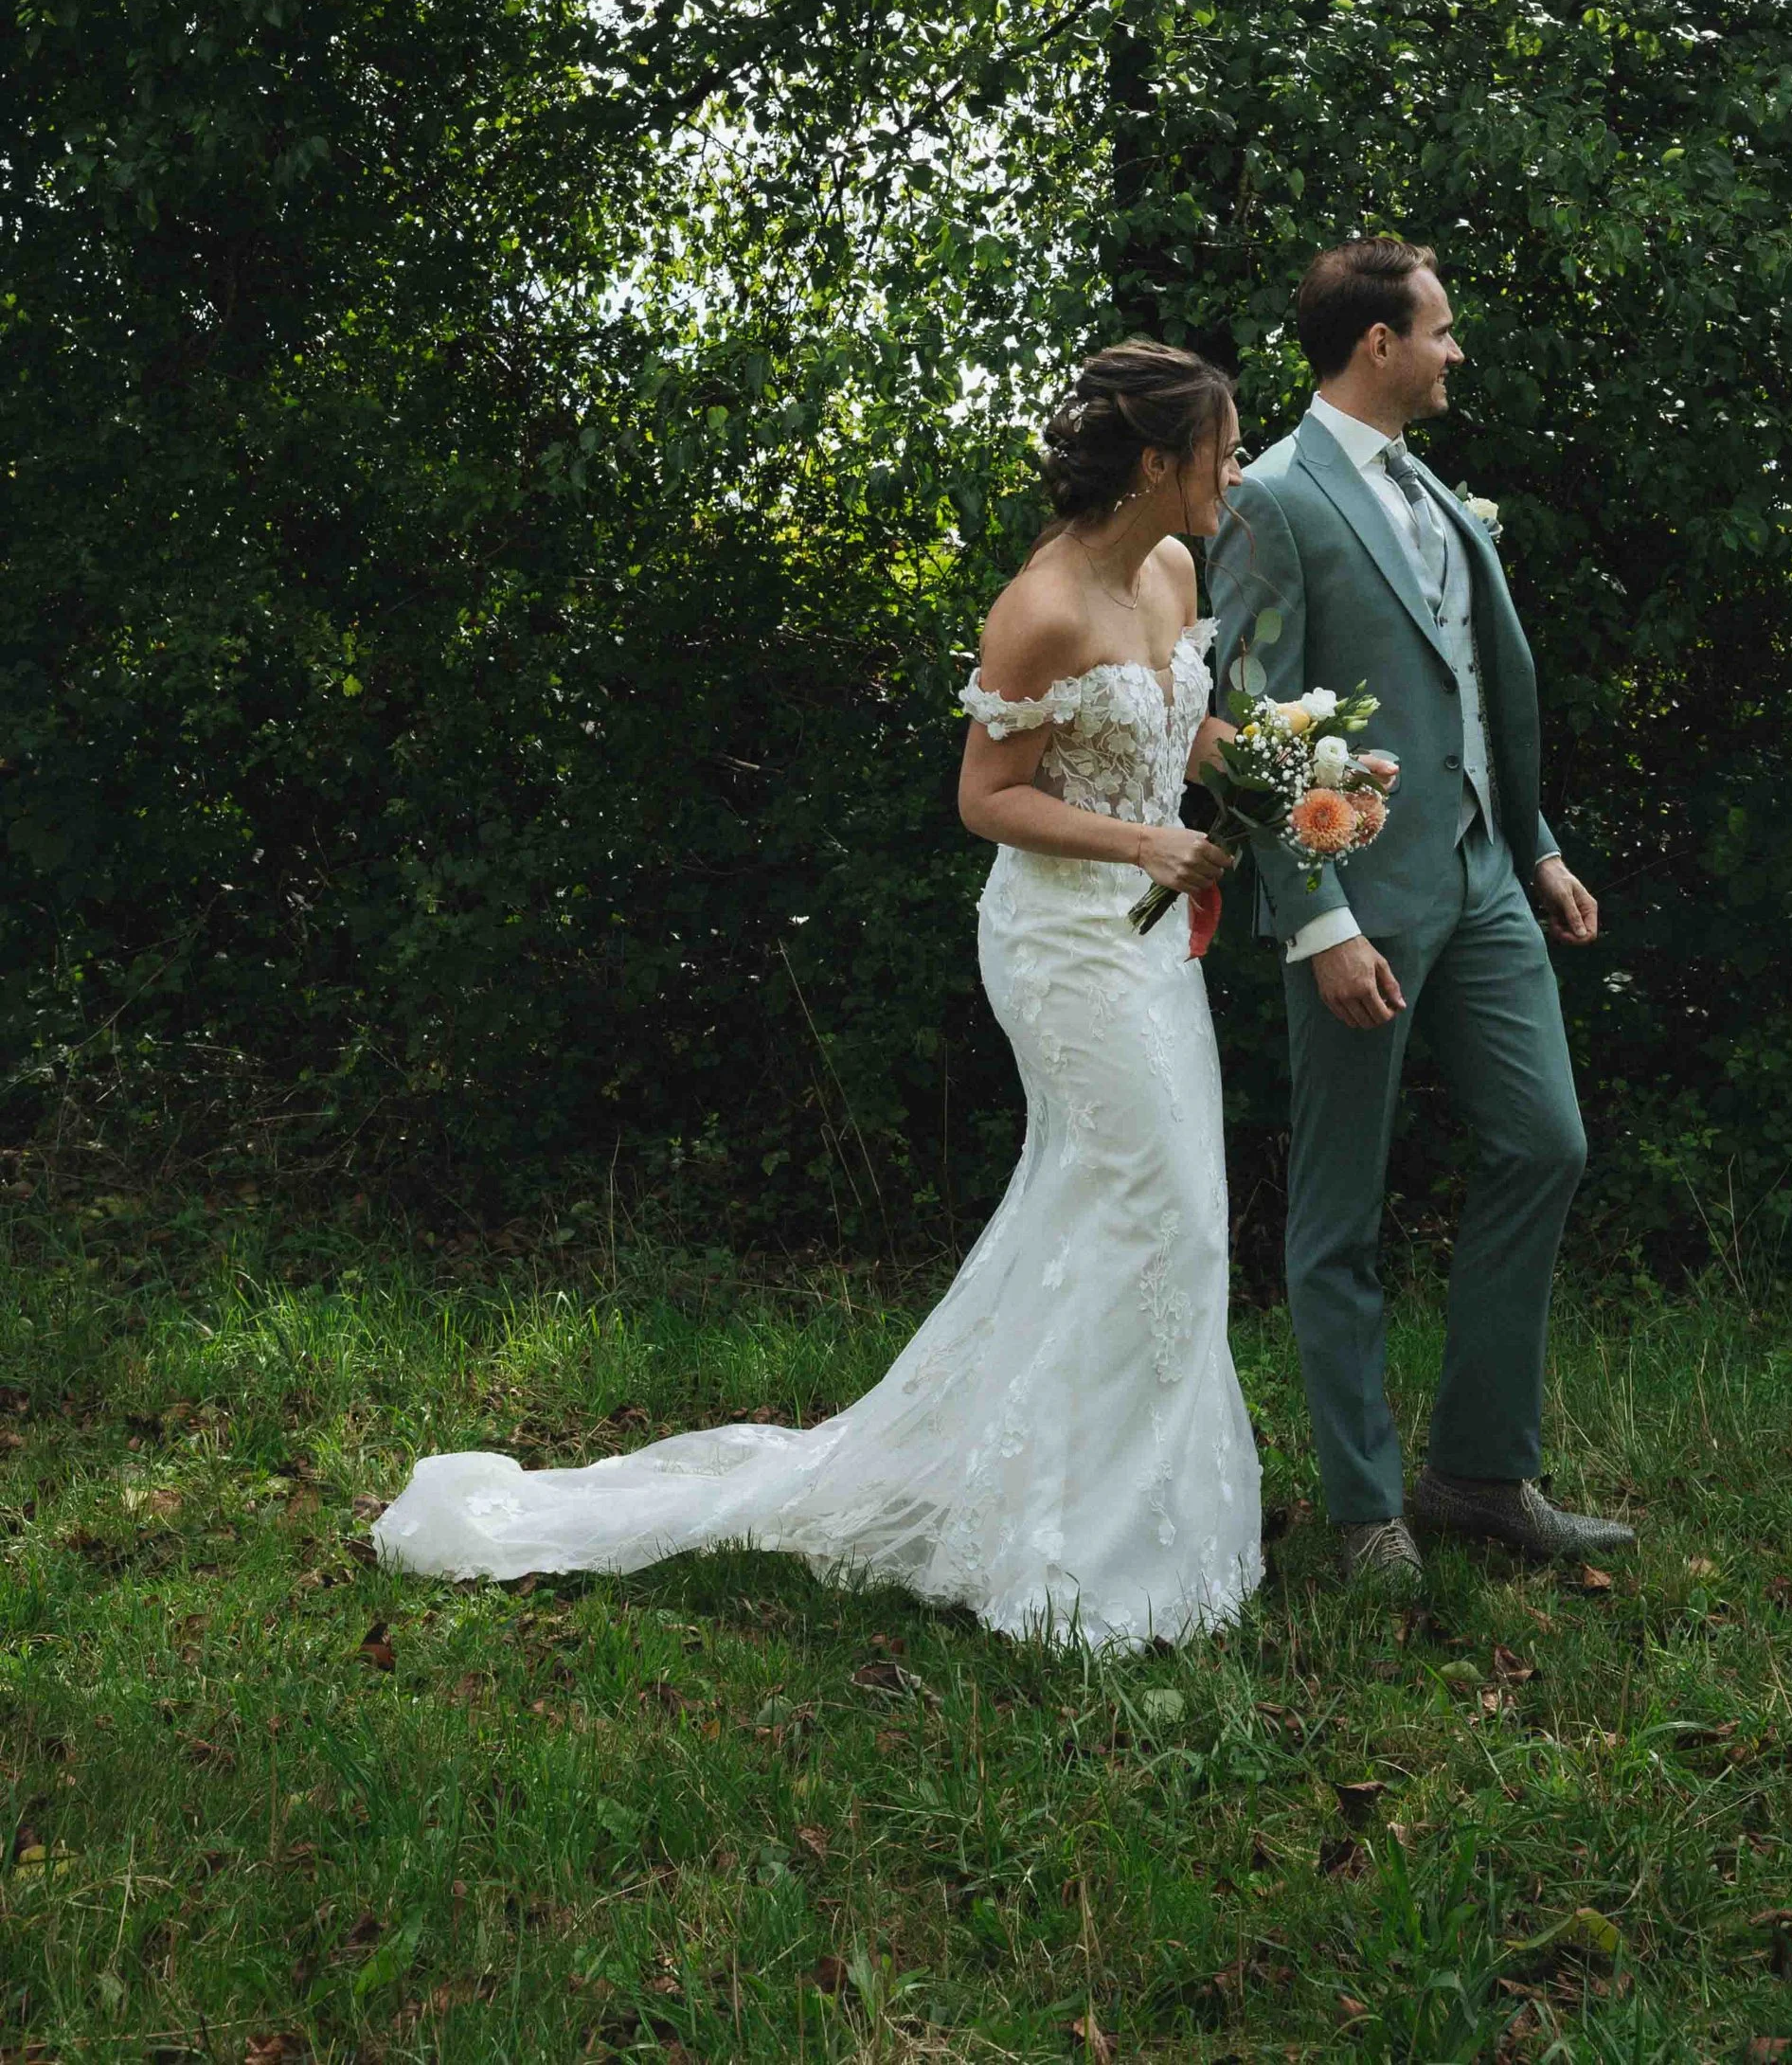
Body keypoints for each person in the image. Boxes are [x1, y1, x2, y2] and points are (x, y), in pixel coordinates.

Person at [372, 343, 1262, 1651]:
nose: (1234, 471)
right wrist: (1145, 843)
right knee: (1165, 1217)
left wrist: (1305, 762)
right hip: (1064, 946)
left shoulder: (1176, 571)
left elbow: (1177, 732)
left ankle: (1108, 1507)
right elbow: (986, 797)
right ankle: (1083, 1551)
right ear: (1153, 462)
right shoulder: (1045, 606)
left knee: (1142, 1214)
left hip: (1148, 947)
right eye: (1221, 449)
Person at [1209, 238, 1634, 1589]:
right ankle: (1362, 1505)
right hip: (1361, 903)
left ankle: (1480, 1472)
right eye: (1441, 331)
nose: (1457, 352)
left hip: (1486, 881)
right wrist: (1317, 915)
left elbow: (1471, 688)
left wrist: (1538, 845)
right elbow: (1253, 723)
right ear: (1377, 343)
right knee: (1339, 1209)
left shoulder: (1439, 495)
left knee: (1547, 1142)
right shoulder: (1274, 499)